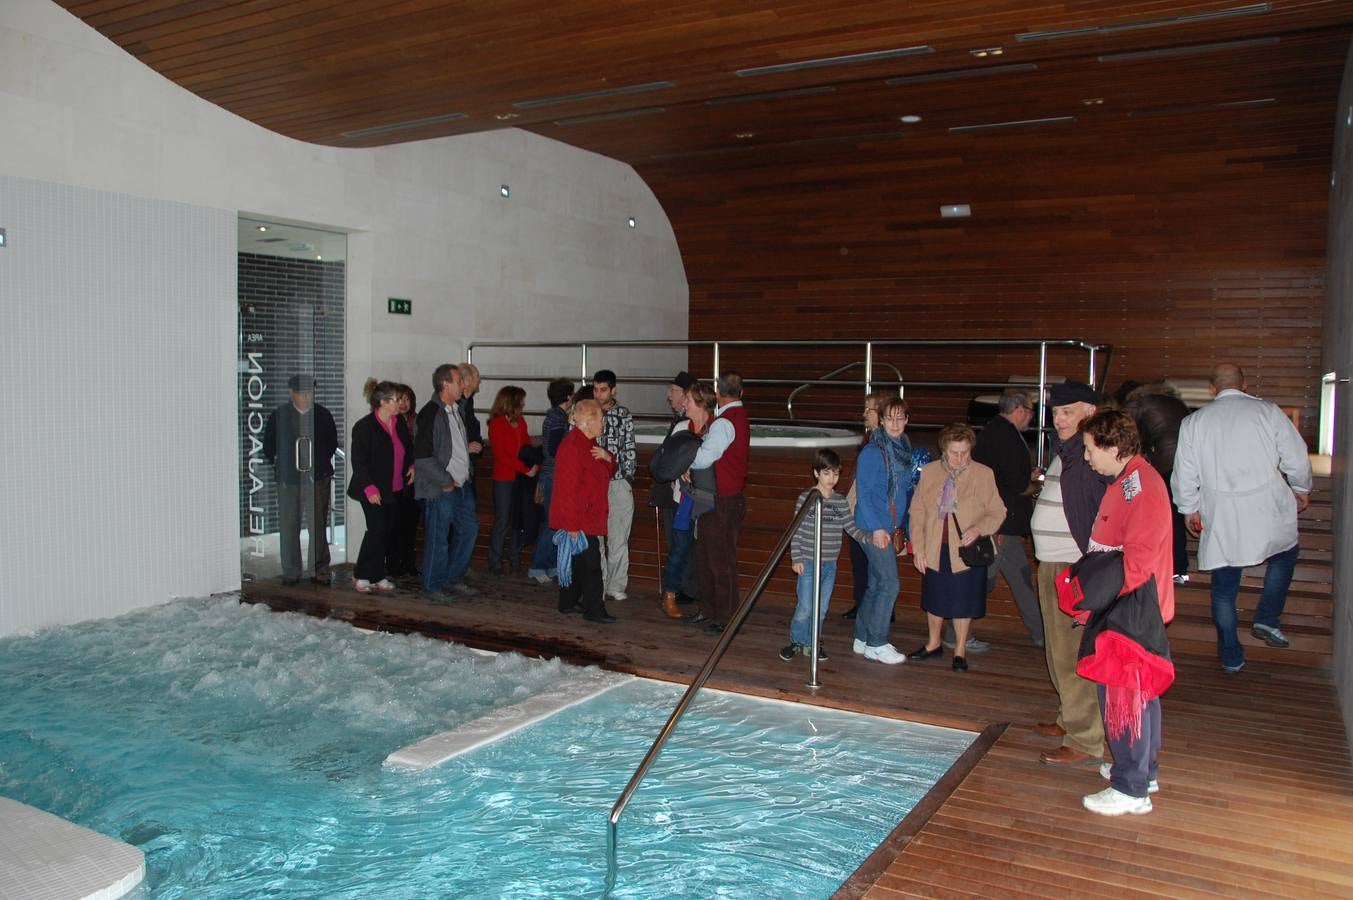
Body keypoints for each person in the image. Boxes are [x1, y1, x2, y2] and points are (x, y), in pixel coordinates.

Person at [1172, 364, 1313, 672]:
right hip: (1267, 505)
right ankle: (1267, 617)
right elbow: (1296, 456)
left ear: (1212, 389)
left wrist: (1189, 509)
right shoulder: (1268, 412)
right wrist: (1301, 488)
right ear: (1245, 385)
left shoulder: (1194, 422)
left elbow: (1184, 474)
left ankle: (1231, 656)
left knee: (1224, 585)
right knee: (1285, 554)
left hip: (1221, 511)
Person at [1071, 409, 1175, 816]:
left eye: (1090, 449)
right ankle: (1142, 771)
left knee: (1123, 694)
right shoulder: (1130, 479)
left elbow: (1138, 559)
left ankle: (1131, 789)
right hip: (1129, 602)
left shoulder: (1139, 486)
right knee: (1140, 693)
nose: (1087, 457)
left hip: (1128, 606)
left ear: (1113, 448)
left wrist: (1096, 599)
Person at [1030, 381, 1110, 767]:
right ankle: (1069, 719)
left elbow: (1100, 513)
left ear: (1090, 412)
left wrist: (1089, 567)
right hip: (1053, 565)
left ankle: (1085, 738)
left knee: (1073, 654)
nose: (1058, 418)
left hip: (1073, 566)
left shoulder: (1090, 453)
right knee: (1057, 651)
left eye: (1067, 411)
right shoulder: (1070, 451)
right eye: (1055, 411)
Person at [907, 423, 1005, 672]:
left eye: (965, 452)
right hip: (934, 546)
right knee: (934, 597)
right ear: (943, 450)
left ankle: (960, 649)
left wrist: (978, 529)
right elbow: (917, 511)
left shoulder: (983, 474)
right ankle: (933, 643)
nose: (960, 458)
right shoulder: (929, 472)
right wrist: (917, 548)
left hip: (966, 549)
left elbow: (998, 511)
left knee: (964, 599)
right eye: (954, 452)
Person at [971, 388, 1043, 647]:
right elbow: (1015, 484)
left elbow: (1004, 475)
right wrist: (1035, 486)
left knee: (1018, 580)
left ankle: (1041, 634)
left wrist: (1027, 478)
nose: (1031, 419)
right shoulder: (1007, 437)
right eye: (1031, 413)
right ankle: (955, 633)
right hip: (1002, 523)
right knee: (985, 581)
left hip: (1002, 521)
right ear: (1020, 410)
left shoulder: (995, 431)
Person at [849, 396, 917, 664]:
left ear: (907, 420)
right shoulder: (873, 451)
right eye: (890, 417)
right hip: (872, 527)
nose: (895, 423)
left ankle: (862, 637)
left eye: (901, 417)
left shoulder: (903, 448)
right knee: (890, 583)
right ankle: (877, 642)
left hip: (887, 526)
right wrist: (877, 528)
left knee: (877, 583)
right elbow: (863, 495)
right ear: (881, 419)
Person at [781, 449, 864, 662]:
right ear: (816, 473)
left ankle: (812, 642)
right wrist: (796, 558)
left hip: (828, 565)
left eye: (836, 474)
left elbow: (851, 527)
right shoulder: (806, 498)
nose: (832, 479)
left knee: (821, 608)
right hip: (808, 562)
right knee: (805, 607)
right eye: (827, 473)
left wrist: (869, 538)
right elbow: (795, 530)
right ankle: (797, 640)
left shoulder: (840, 501)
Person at [689, 372, 751, 635]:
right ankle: (713, 611)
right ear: (742, 392)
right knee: (713, 557)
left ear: (718, 391)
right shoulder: (739, 418)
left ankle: (724, 617)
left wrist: (684, 459)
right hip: (727, 497)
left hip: (721, 500)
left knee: (718, 560)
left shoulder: (725, 422)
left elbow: (704, 458)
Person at [261, 374, 338, 586]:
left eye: (309, 393)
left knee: (318, 523)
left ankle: (319, 568)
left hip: (317, 477)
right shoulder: (280, 415)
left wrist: (319, 463)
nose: (306, 397)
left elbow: (331, 442)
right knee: (289, 524)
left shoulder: (322, 415)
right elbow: (268, 446)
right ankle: (291, 570)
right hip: (289, 479)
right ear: (291, 393)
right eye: (302, 393)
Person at [651, 382, 717, 618]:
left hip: (709, 500)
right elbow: (668, 457)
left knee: (707, 549)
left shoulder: (716, 428)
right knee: (679, 547)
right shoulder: (680, 426)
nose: (683, 403)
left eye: (688, 399)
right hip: (685, 498)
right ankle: (669, 596)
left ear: (700, 402)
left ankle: (707, 599)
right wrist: (681, 469)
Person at [550, 399, 617, 624]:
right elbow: (566, 489)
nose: (603, 423)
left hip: (588, 514)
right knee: (591, 566)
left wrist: (609, 458)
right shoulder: (572, 447)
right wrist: (571, 525)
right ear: (587, 421)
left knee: (579, 562)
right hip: (581, 517)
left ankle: (567, 602)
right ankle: (594, 609)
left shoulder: (590, 444)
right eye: (600, 419)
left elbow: (604, 472)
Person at [414, 364, 478, 600]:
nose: (463, 385)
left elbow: (455, 447)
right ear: (445, 384)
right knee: (438, 538)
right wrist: (445, 481)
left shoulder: (456, 409)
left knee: (469, 531)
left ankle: (452, 577)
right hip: (442, 488)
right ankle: (432, 586)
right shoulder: (431, 412)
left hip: (462, 484)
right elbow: (422, 457)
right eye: (458, 380)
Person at [347, 379, 413, 594]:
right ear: (382, 402)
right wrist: (370, 488)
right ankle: (362, 574)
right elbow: (359, 462)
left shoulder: (399, 423)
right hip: (372, 489)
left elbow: (407, 448)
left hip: (394, 487)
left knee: (387, 532)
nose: (400, 403)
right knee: (377, 530)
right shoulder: (365, 427)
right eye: (395, 399)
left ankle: (377, 575)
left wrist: (412, 465)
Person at [1123, 382, 1191, 583]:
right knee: (1177, 517)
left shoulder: (1140, 403)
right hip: (1188, 465)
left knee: (1165, 519)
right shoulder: (1178, 404)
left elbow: (1121, 428)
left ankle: (1169, 568)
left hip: (1166, 464)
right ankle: (1180, 570)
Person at [843, 389, 897, 621]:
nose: (864, 414)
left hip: (871, 515)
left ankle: (873, 616)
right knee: (862, 563)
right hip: (862, 511)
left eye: (869, 409)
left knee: (877, 571)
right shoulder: (871, 440)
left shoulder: (882, 444)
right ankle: (864, 609)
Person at [649, 371, 701, 608]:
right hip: (675, 489)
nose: (668, 395)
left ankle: (686, 588)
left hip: (683, 493)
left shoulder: (688, 424)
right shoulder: (681, 421)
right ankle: (682, 586)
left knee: (681, 541)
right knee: (677, 541)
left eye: (673, 390)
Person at [593, 369, 636, 602]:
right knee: (596, 536)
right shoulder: (585, 412)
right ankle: (598, 582)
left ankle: (616, 585)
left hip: (618, 482)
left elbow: (630, 449)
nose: (598, 394)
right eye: (595, 389)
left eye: (603, 389)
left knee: (619, 538)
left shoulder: (623, 415)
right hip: (594, 485)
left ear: (613, 390)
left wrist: (625, 476)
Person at [526, 378, 575, 583]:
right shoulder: (557, 418)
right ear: (567, 396)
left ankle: (552, 564)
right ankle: (537, 566)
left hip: (552, 475)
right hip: (553, 476)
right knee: (551, 523)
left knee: (556, 522)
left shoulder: (557, 417)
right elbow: (556, 448)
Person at [487, 386, 538, 576]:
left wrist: (533, 464)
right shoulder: (497, 424)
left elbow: (526, 447)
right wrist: (526, 469)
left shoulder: (520, 421)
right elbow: (503, 456)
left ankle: (515, 559)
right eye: (521, 401)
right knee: (502, 521)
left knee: (518, 520)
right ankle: (495, 562)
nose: (523, 404)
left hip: (519, 478)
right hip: (504, 478)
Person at [386, 383, 420, 579]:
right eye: (400, 399)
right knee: (394, 525)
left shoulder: (418, 420)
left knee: (410, 524)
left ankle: (409, 563)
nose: (404, 403)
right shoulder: (391, 421)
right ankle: (393, 564)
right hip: (395, 480)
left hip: (414, 479)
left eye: (408, 399)